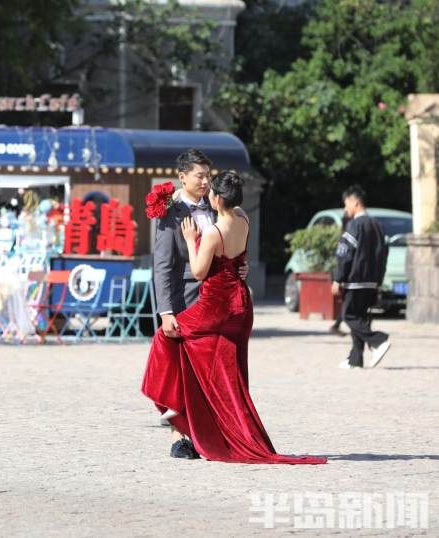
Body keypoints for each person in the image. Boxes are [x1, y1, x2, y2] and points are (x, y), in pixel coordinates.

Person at [142, 171, 325, 464]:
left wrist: (191, 240)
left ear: (216, 198)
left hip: (216, 307)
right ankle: (223, 429)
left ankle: (192, 419)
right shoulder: (243, 218)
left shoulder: (214, 232)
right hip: (241, 307)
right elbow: (239, 258)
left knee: (167, 336)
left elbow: (200, 272)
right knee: (230, 376)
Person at [147, 148, 247, 457]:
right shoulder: (169, 211)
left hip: (217, 301)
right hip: (184, 300)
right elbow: (163, 265)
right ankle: (180, 437)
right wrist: (165, 311)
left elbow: (230, 246)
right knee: (180, 370)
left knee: (213, 369)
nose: (205, 182)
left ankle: (214, 433)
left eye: (208, 175)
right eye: (199, 176)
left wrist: (240, 267)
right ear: (182, 177)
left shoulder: (219, 205)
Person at [332, 185, 391, 369]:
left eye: (346, 204)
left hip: (355, 281)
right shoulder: (377, 225)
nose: (345, 209)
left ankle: (378, 341)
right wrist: (378, 280)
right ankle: (355, 359)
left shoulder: (355, 225)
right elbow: (383, 255)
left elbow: (345, 254)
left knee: (348, 316)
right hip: (372, 281)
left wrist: (338, 278)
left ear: (355, 202)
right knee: (359, 318)